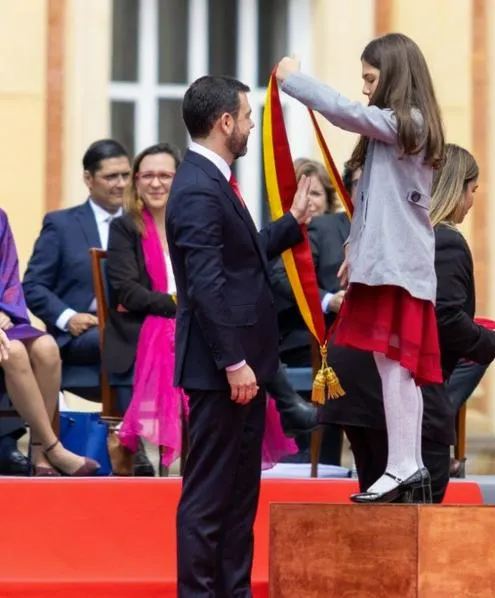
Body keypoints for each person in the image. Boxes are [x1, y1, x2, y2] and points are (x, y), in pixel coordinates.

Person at [277, 32, 445, 502]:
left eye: (371, 79)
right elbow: (372, 202)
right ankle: (404, 465)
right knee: (391, 363)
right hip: (385, 262)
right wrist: (355, 248)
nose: (365, 89)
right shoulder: (396, 129)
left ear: (393, 75)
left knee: (397, 365)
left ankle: (404, 465)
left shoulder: (407, 121)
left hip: (397, 264)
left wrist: (295, 81)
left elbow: (348, 113)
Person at [166, 75, 310, 597]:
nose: (251, 127)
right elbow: (206, 286)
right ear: (225, 122)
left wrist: (292, 222)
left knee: (238, 499)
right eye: (248, 117)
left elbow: (241, 256)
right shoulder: (198, 187)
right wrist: (232, 362)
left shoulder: (215, 182)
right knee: (209, 499)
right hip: (222, 371)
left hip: (244, 368)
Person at [321, 145, 495, 501]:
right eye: (472, 191)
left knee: (381, 513)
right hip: (397, 392)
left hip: (359, 389)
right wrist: (491, 342)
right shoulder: (445, 241)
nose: (472, 202)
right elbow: (445, 318)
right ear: (456, 188)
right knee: (418, 513)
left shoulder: (394, 234)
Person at [23, 139, 153, 475]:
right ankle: (130, 443)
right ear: (88, 178)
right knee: (126, 340)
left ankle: (138, 440)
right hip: (79, 337)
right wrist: (67, 318)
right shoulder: (62, 224)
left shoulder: (144, 224)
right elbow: (34, 285)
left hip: (129, 329)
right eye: (111, 176)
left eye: (126, 175)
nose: (121, 184)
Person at [0, 208, 99, 476]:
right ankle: (52, 447)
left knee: (47, 347)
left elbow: (8, 276)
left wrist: (5, 312)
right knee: (15, 351)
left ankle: (38, 448)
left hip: (2, 318)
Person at [104, 143, 184, 468]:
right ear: (136, 181)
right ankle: (147, 453)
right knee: (173, 339)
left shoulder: (191, 225)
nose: (155, 183)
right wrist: (181, 305)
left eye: (164, 175)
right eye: (147, 175)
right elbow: (129, 293)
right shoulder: (124, 227)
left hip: (193, 325)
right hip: (141, 330)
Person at [271, 158, 350, 465]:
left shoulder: (340, 236)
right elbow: (280, 279)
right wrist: (327, 299)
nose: (309, 202)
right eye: (301, 194)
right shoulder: (280, 235)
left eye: (315, 194)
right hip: (297, 338)